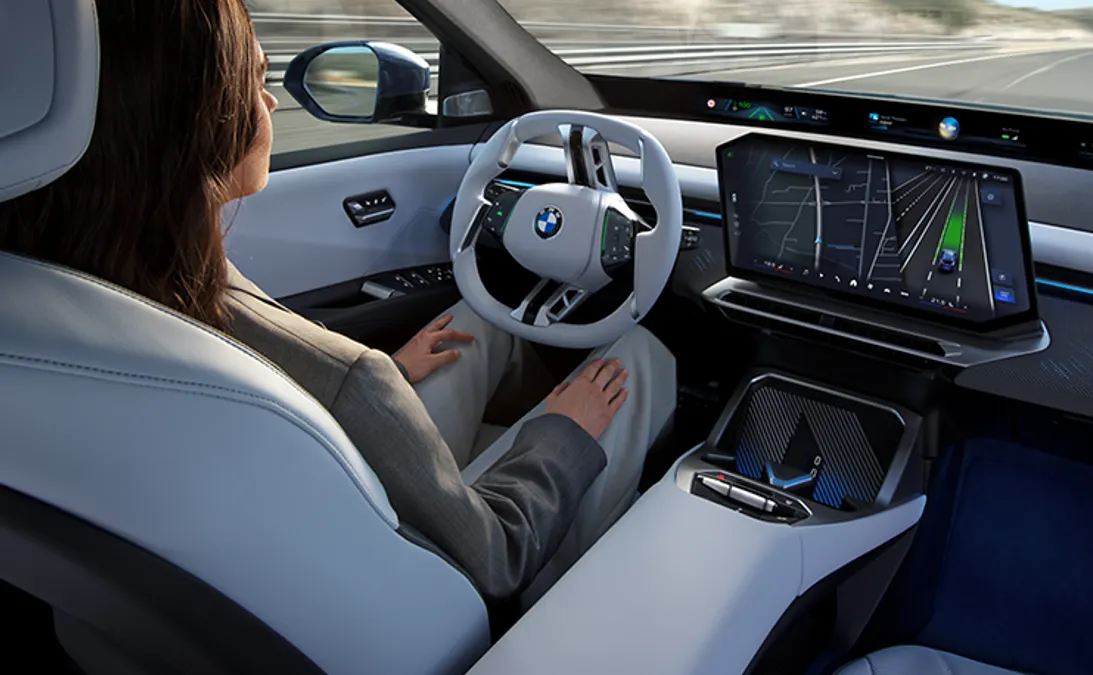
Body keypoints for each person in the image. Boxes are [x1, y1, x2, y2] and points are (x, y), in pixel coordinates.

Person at [0, 0, 675, 606]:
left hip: (278, 555)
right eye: (257, 81)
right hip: (422, 597)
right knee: (639, 359)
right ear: (196, 124)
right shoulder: (352, 381)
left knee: (476, 326)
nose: (267, 105)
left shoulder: (67, 292)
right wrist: (562, 434)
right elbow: (496, 558)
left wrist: (379, 383)